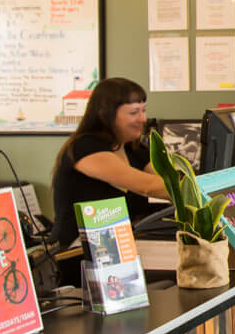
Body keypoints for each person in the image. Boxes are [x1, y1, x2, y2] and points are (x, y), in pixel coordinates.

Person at [51, 78, 167, 284]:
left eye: (143, 110)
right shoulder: (85, 148)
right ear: (105, 115)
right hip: (81, 258)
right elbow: (148, 186)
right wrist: (197, 190)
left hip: (120, 252)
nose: (142, 118)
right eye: (133, 113)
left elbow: (166, 181)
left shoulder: (134, 148)